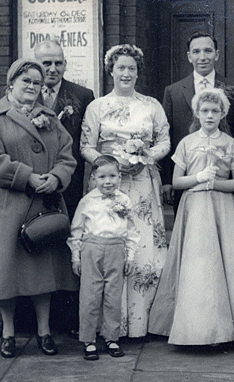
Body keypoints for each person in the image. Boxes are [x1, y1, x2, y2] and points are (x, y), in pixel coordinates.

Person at [149, 89, 234, 345]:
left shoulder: (230, 143)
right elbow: (176, 181)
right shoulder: (187, 143)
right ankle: (196, 328)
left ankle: (225, 329)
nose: (209, 115)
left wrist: (214, 183)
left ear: (223, 114)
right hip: (194, 209)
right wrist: (198, 178)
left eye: (215, 111)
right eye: (204, 111)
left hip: (222, 210)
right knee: (199, 266)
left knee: (226, 264)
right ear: (197, 112)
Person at [0, 58, 77, 358]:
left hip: (42, 206)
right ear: (11, 84)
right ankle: (8, 332)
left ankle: (44, 331)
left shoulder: (49, 117)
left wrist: (56, 177)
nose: (32, 87)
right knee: (6, 273)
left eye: (37, 83)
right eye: (26, 81)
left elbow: (66, 156)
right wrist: (26, 176)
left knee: (42, 272)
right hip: (7, 207)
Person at [80, 44, 171, 338]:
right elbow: (86, 147)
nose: (126, 73)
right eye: (121, 67)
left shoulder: (151, 105)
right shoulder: (97, 107)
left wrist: (145, 156)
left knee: (143, 248)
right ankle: (110, 326)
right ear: (111, 71)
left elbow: (164, 142)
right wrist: (111, 165)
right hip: (108, 185)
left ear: (137, 71)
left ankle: (143, 323)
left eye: (131, 68)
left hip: (143, 184)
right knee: (110, 244)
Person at [34, 38, 95, 339]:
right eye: (47, 63)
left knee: (68, 248)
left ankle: (68, 316)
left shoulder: (82, 95)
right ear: (36, 63)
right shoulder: (26, 93)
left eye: (58, 62)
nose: (53, 69)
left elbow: (84, 144)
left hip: (68, 187)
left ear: (65, 64)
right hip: (32, 187)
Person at [160, 31, 234, 212]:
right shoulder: (173, 91)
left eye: (208, 51)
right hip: (186, 178)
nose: (203, 57)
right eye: (196, 52)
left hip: (222, 181)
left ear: (217, 54)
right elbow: (166, 136)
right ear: (189, 56)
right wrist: (167, 180)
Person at [67, 155, 140, 360]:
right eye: (102, 177)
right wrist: (76, 257)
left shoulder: (124, 200)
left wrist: (130, 256)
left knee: (113, 296)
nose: (107, 181)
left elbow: (132, 231)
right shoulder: (87, 201)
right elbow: (77, 230)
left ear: (119, 177)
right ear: (93, 178)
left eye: (112, 176)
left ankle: (111, 338)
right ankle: (89, 340)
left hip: (116, 249)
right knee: (90, 296)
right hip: (92, 249)